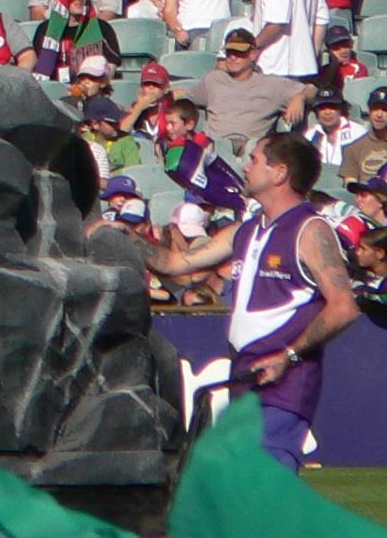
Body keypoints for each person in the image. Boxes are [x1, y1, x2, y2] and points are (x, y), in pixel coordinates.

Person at [139, 132, 358, 469]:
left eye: (254, 159)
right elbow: (174, 264)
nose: (245, 165)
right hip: (244, 379)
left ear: (279, 172)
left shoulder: (311, 230)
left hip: (283, 383)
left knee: (264, 491)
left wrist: (289, 356)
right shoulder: (247, 230)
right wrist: (125, 237)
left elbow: (343, 306)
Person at [179, 24, 307, 156]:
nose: (232, 57)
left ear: (253, 54)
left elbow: (311, 90)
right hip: (214, 147)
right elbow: (184, 95)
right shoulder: (214, 79)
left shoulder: (270, 84)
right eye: (229, 53)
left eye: (239, 53)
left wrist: (299, 97)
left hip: (248, 151)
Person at [305, 87, 367, 166]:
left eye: (332, 107)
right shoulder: (311, 135)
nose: (327, 112)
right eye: (322, 108)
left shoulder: (358, 132)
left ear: (341, 109)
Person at [340, 85, 387, 183]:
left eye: (385, 110)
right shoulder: (353, 149)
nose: (379, 115)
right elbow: (351, 188)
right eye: (375, 109)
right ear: (369, 111)